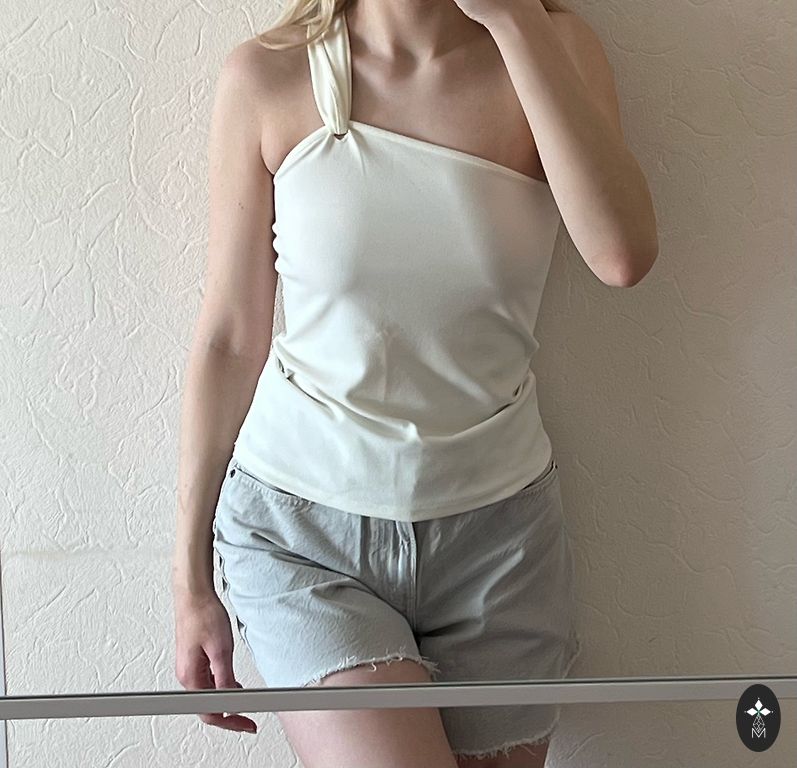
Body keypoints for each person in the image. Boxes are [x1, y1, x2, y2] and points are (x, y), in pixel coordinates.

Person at [172, 0, 658, 766]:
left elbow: (621, 256)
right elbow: (229, 339)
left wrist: (514, 20)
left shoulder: (552, 46)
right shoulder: (267, 76)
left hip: (499, 542)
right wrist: (189, 580)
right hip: (304, 537)